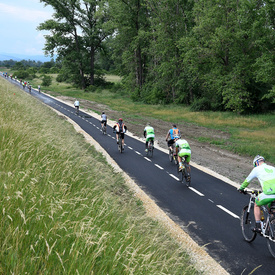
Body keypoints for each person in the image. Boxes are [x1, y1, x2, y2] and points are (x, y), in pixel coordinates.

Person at [238, 155, 275, 233]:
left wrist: (241, 188)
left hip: (269, 193)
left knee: (256, 204)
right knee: (270, 209)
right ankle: (271, 224)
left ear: (257, 163)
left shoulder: (256, 169)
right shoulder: (273, 168)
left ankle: (258, 227)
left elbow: (247, 181)